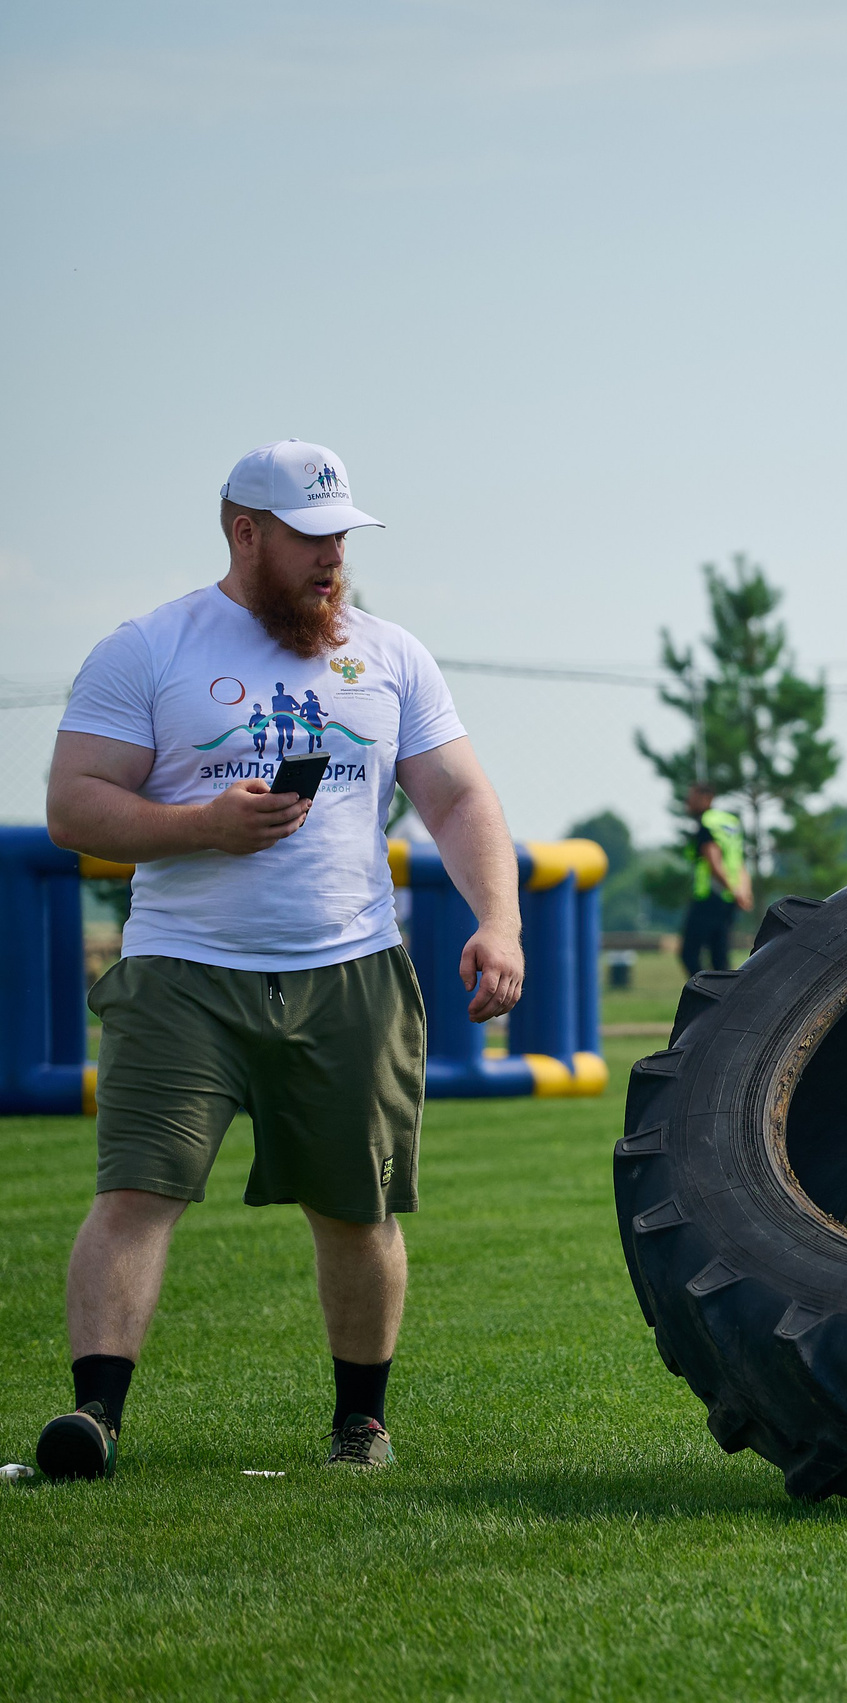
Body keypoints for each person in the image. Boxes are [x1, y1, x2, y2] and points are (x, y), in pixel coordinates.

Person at [35, 439, 525, 1481]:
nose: (331, 556)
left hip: (349, 966)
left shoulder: (390, 655)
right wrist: (203, 823)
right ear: (243, 531)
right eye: (310, 535)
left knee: (358, 1205)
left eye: (342, 534)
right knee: (136, 1190)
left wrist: (500, 919)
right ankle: (94, 1417)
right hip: (180, 971)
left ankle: (360, 1425)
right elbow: (75, 801)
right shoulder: (148, 647)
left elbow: (460, 797)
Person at [679, 782, 753, 976]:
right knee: (720, 958)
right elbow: (739, 862)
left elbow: (714, 863)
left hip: (709, 897)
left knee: (689, 954)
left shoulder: (707, 824)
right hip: (728, 901)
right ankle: (726, 1001)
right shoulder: (730, 823)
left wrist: (733, 890)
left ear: (706, 799)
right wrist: (744, 891)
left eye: (692, 797)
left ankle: (705, 997)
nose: (687, 802)